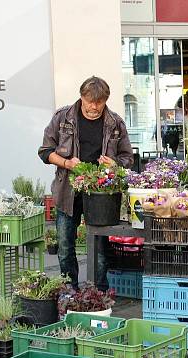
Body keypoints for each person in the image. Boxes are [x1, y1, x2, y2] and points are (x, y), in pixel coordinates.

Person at [38, 76, 134, 289]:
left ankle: (99, 293)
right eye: (90, 101)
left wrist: (115, 164)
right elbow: (45, 152)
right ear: (81, 97)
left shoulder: (115, 122)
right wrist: (67, 163)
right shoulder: (63, 117)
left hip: (101, 195)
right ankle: (70, 290)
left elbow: (128, 158)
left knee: (100, 250)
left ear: (105, 100)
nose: (94, 107)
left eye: (99, 102)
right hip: (67, 192)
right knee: (64, 247)